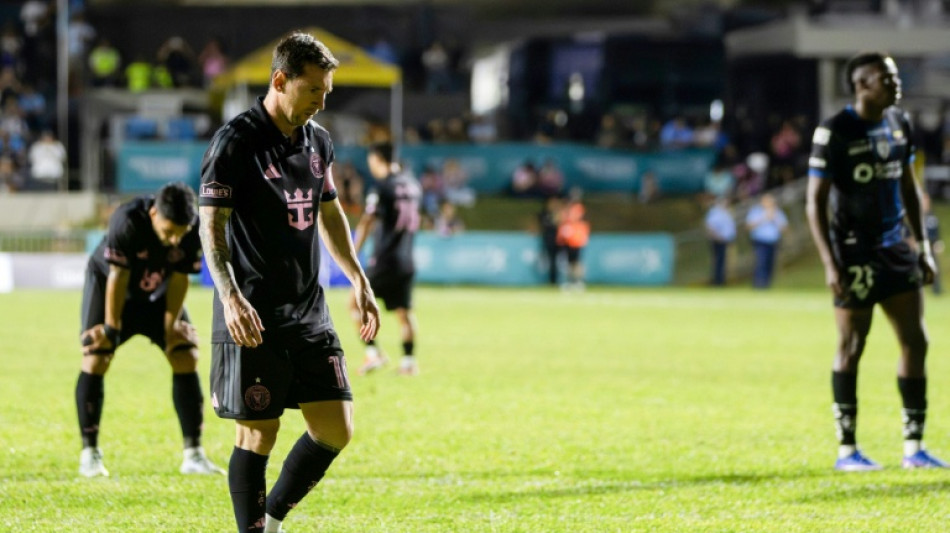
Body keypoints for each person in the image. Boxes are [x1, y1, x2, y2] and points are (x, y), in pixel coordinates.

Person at [197, 32, 380, 533]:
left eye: (327, 93)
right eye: (313, 90)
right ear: (280, 80)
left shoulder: (318, 139)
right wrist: (230, 297)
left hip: (308, 309)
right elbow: (210, 224)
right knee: (259, 434)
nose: (321, 102)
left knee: (335, 429)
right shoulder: (236, 141)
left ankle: (273, 521)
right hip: (252, 310)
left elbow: (331, 210)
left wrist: (358, 278)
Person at [805, 51, 946, 471]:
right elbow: (815, 204)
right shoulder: (835, 131)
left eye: (895, 75)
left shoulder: (899, 123)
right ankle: (848, 451)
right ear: (862, 84)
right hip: (854, 252)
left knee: (916, 341)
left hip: (896, 247)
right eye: (886, 77)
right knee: (851, 345)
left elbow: (908, 185)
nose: (895, 83)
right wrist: (830, 264)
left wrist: (920, 247)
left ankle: (913, 448)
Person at [76, 182, 223, 478]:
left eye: (179, 234)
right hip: (111, 289)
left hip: (157, 294)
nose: (173, 241)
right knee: (97, 355)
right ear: (154, 213)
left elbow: (181, 278)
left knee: (185, 353)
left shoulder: (192, 230)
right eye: (168, 232)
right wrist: (111, 330)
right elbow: (117, 276)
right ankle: (89, 454)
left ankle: (193, 455)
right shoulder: (127, 219)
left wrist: (171, 329)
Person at [350, 142, 422, 376]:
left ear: (376, 159)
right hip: (407, 257)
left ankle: (374, 354)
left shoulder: (381, 187)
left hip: (384, 259)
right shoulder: (412, 184)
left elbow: (367, 220)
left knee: (353, 303)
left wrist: (353, 253)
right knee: (404, 312)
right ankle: (409, 362)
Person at [745, 192, 787, 288]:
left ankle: (767, 285)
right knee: (761, 262)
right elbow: (748, 226)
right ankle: (758, 285)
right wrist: (763, 218)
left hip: (773, 241)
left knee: (770, 263)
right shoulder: (756, 211)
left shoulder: (777, 212)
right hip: (760, 241)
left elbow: (784, 228)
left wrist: (774, 219)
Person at [557, 189, 590, 290]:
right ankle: (570, 281)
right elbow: (561, 221)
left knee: (576, 262)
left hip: (576, 240)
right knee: (569, 262)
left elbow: (573, 218)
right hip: (568, 240)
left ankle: (579, 281)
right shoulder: (566, 208)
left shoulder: (577, 208)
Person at [705, 197, 736, 286]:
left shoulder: (726, 212)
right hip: (717, 240)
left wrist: (730, 238)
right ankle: (716, 280)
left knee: (723, 261)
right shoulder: (714, 212)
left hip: (725, 240)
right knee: (717, 260)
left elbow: (730, 227)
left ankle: (721, 280)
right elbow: (710, 226)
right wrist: (717, 237)